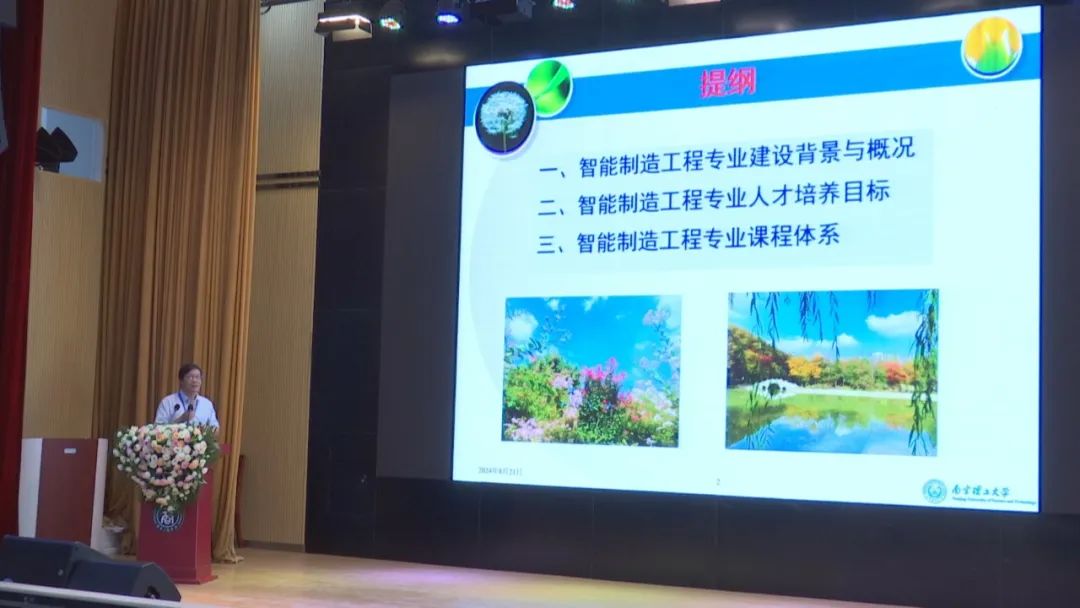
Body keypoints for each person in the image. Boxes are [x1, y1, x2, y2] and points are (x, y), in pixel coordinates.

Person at [154, 363, 220, 429]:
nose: (194, 380)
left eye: (197, 377)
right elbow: (157, 428)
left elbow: (215, 428)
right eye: (190, 377)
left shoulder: (207, 404)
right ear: (181, 381)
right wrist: (180, 419)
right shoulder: (168, 402)